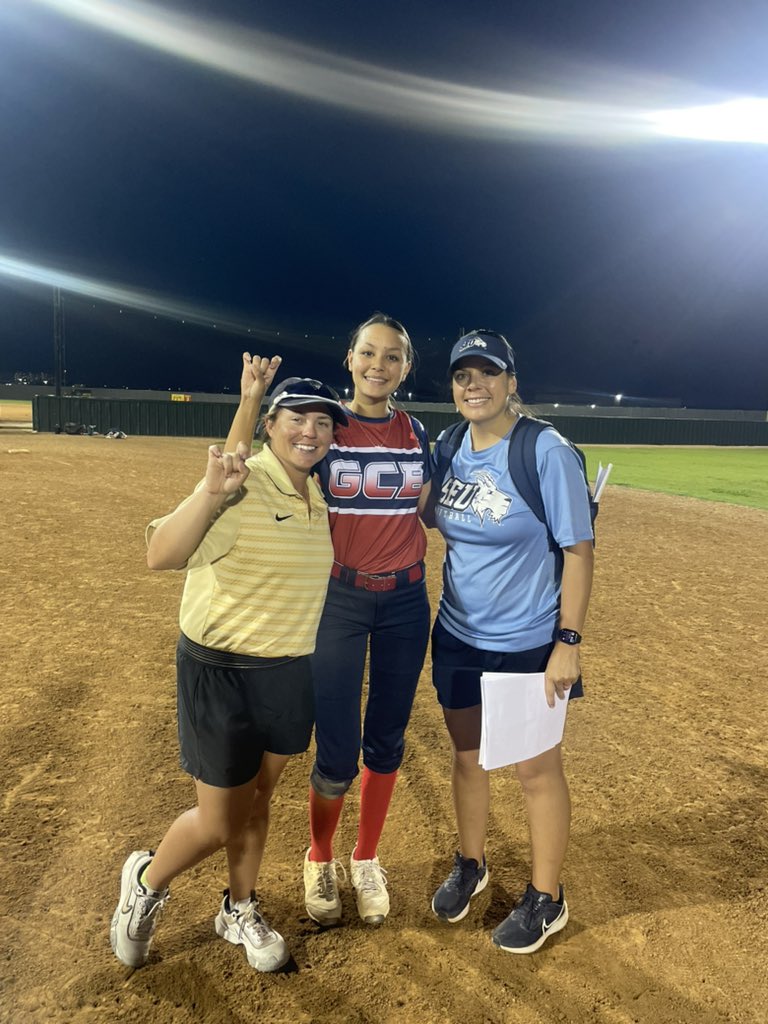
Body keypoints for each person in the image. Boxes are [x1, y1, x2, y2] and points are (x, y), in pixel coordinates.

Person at [110, 365, 347, 972]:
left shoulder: (315, 493)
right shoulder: (242, 486)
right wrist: (211, 491)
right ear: (271, 425)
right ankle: (146, 882)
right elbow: (160, 553)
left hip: (289, 671)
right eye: (297, 417)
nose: (312, 431)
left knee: (261, 798)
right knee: (218, 822)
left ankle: (238, 906)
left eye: (323, 422)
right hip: (222, 672)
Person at [225, 313, 431, 927]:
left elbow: (438, 509)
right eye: (368, 353)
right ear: (350, 359)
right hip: (337, 600)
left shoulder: (416, 431)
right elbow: (241, 471)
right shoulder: (328, 430)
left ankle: (365, 858)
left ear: (405, 368)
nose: (378, 365)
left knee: (387, 739)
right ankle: (320, 856)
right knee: (338, 749)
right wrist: (250, 402)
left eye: (392, 356)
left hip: (404, 602)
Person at [427, 329, 594, 954]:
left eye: (488, 374)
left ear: (511, 381)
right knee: (467, 756)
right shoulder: (448, 446)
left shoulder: (542, 449)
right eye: (463, 376)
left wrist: (568, 642)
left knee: (534, 769)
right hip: (457, 634)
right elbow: (426, 513)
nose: (475, 385)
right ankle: (471, 864)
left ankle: (546, 898)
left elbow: (579, 550)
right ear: (453, 386)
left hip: (527, 640)